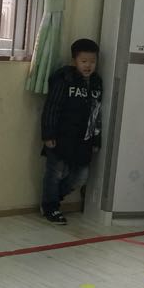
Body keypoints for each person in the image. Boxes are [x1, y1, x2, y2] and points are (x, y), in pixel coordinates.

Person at [39, 37, 102, 225]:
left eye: (92, 61)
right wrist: (48, 134)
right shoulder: (64, 78)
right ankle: (50, 207)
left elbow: (97, 113)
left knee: (81, 176)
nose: (88, 65)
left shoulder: (97, 82)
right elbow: (52, 107)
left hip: (84, 139)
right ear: (74, 61)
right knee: (55, 173)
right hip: (60, 137)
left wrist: (96, 139)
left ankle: (53, 198)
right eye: (84, 61)